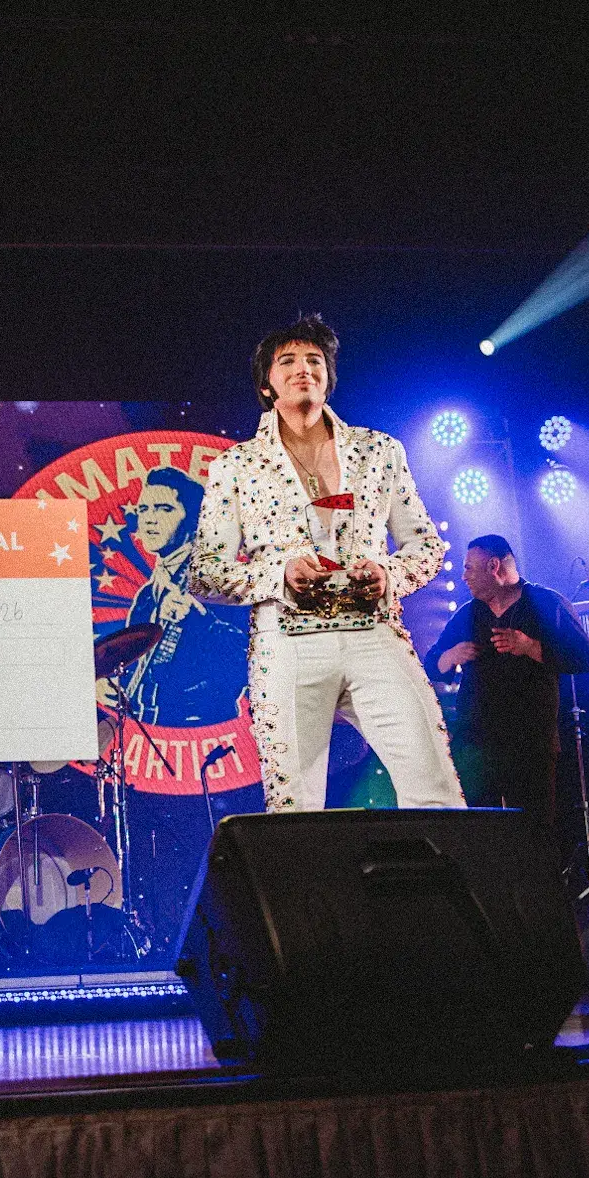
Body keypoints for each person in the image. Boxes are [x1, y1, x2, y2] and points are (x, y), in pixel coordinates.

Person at [188, 314, 465, 811]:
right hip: (287, 643)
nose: (303, 370)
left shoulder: (380, 451)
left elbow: (427, 545)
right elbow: (204, 571)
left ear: (329, 378)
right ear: (266, 384)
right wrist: (279, 575)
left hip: (375, 635)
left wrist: (389, 574)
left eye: (314, 360)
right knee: (295, 807)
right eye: (288, 361)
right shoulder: (237, 465)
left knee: (435, 787)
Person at [422, 534, 589, 826]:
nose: (464, 577)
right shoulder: (468, 614)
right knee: (479, 830)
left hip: (530, 741)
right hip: (475, 742)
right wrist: (450, 655)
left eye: (469, 568)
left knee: (534, 830)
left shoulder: (545, 603)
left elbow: (585, 658)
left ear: (493, 566)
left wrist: (531, 647)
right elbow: (430, 666)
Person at [117, 467, 247, 727]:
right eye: (144, 510)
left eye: (164, 509)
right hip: (150, 729)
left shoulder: (216, 574)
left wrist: (201, 622)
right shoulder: (146, 596)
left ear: (192, 520)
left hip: (204, 730)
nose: (150, 520)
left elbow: (249, 659)